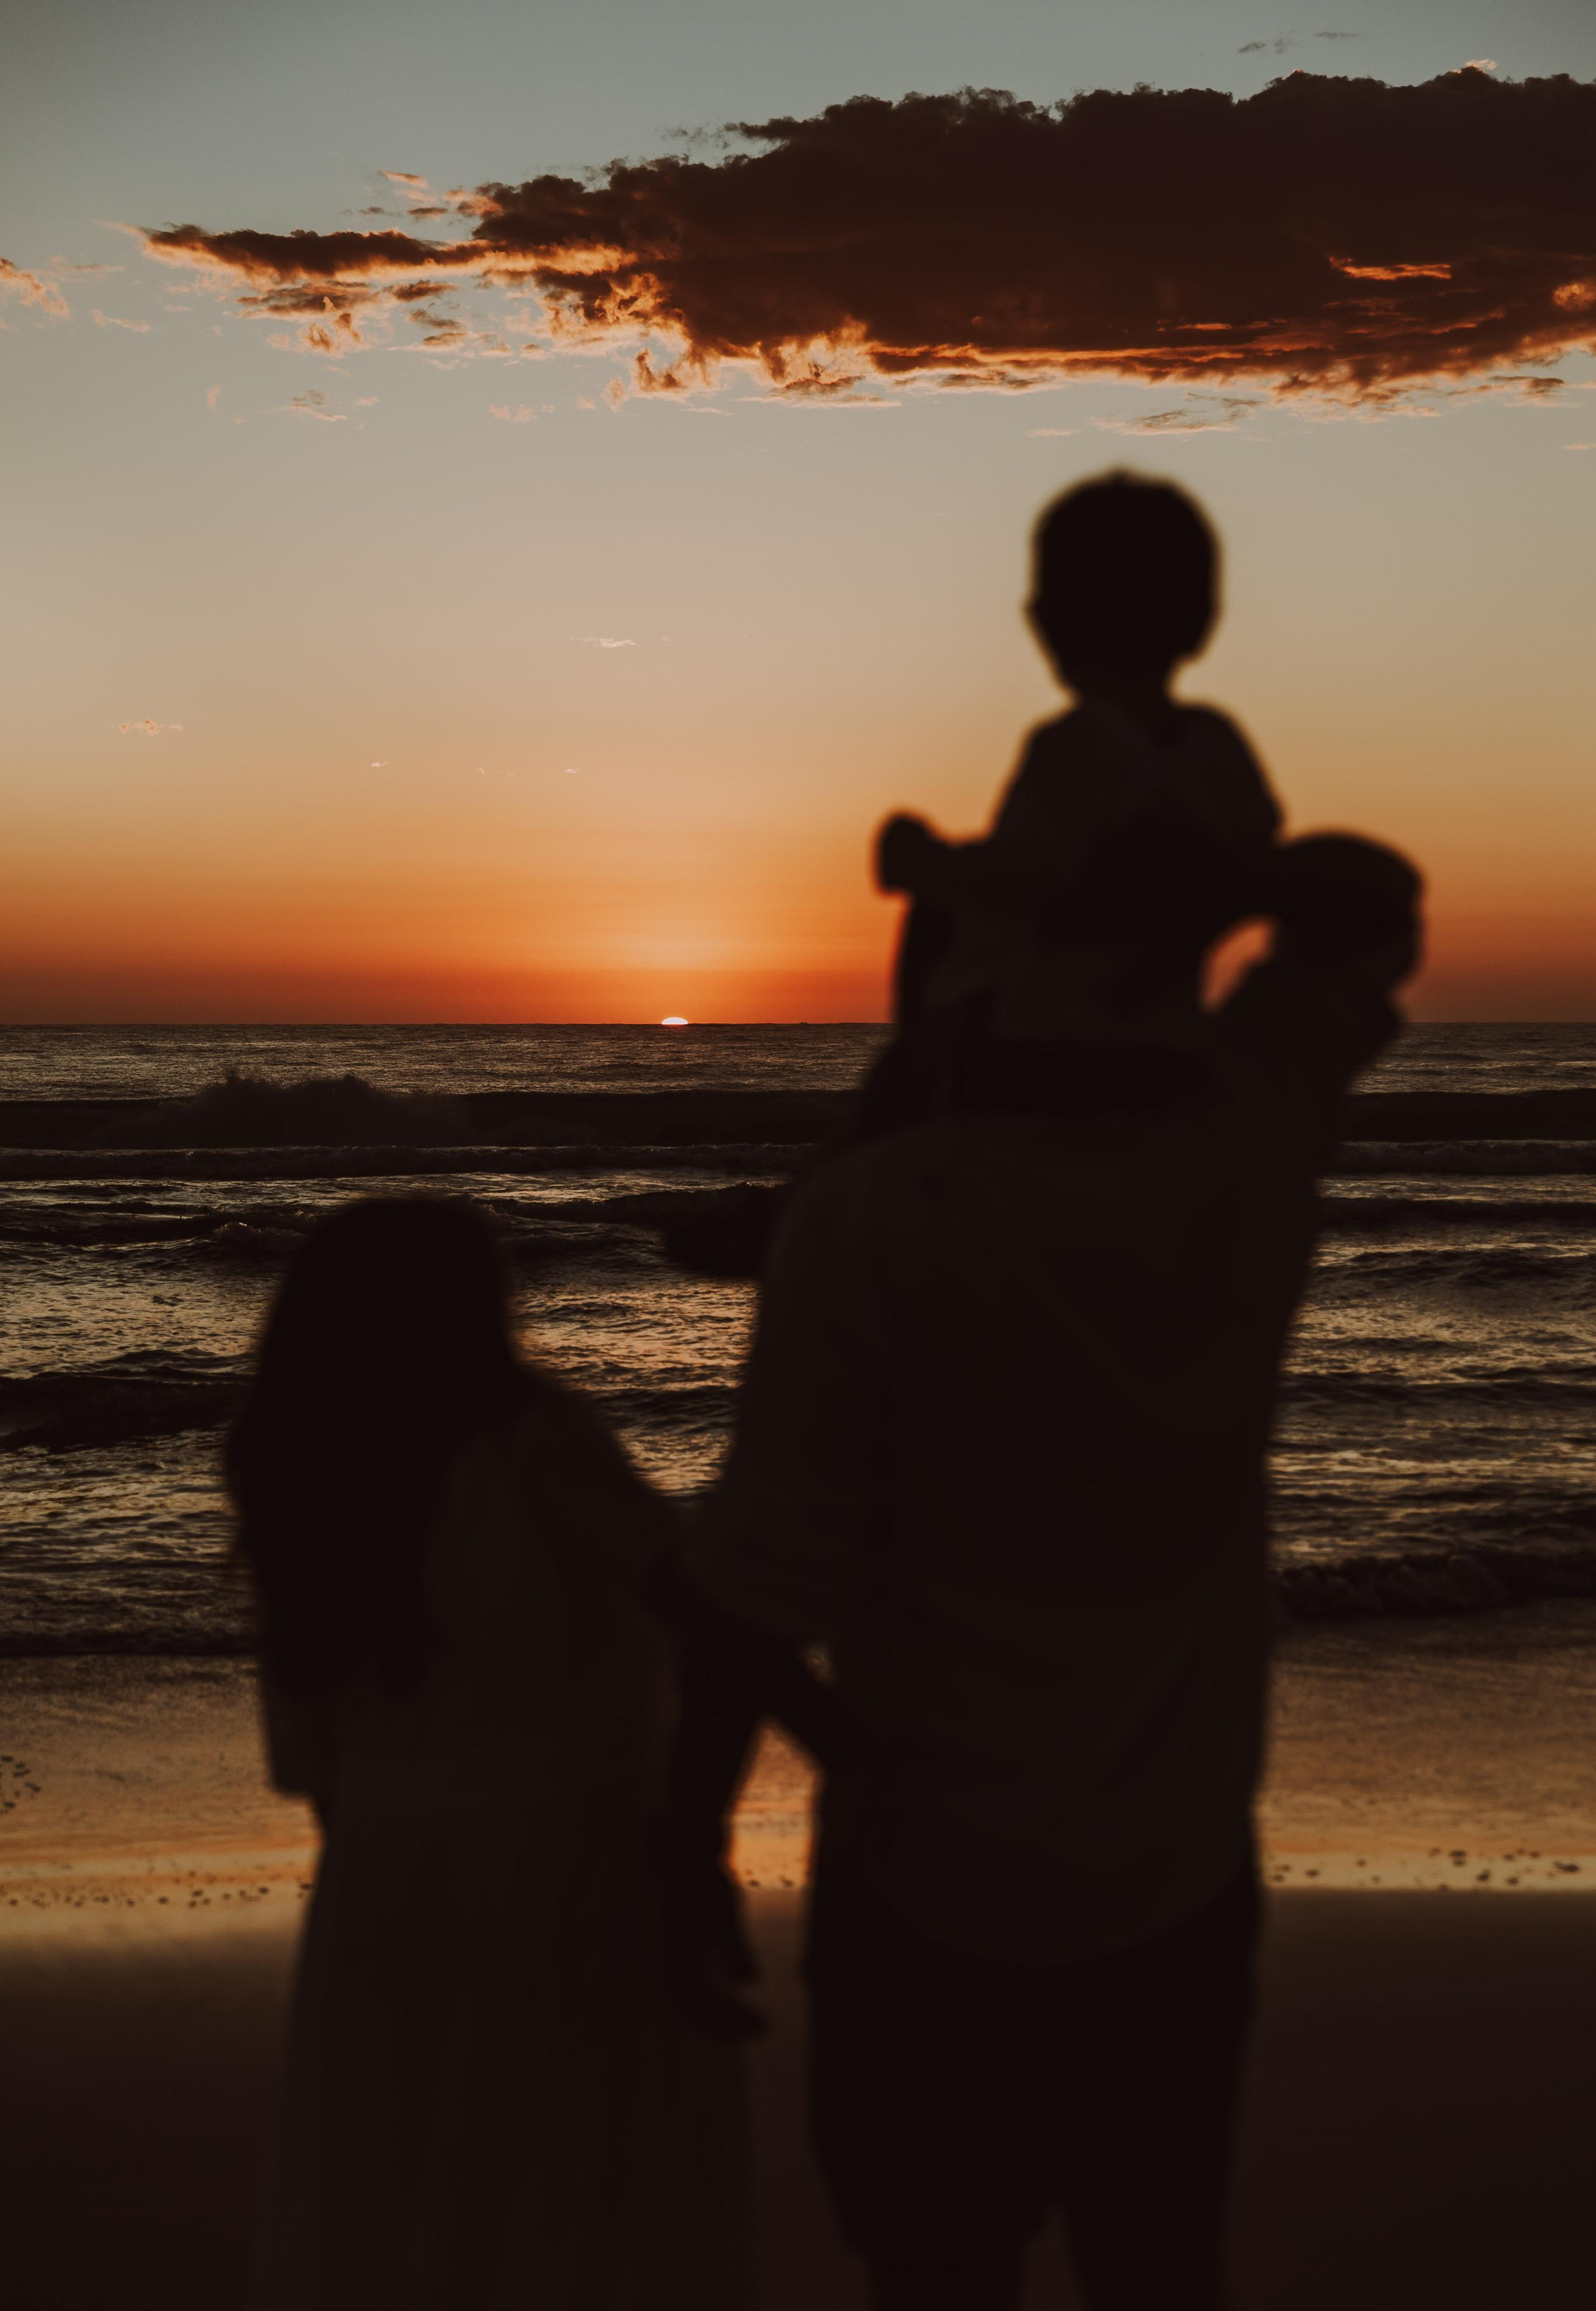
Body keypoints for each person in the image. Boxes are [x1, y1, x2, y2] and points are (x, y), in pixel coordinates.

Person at [663, 831, 1421, 2310]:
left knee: (934, 2268)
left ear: (935, 1001)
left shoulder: (862, 1223)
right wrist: (1163, 885)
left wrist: (682, 1839)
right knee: (1154, 2263)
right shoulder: (1241, 1158)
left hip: (920, 1880)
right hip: (1170, 1863)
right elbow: (1367, 903)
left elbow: (755, 1586)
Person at [228, 1195, 796, 2311]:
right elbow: (697, 1600)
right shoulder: (531, 1439)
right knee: (580, 2180)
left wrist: (380, 1866)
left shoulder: (291, 1465)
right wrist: (829, 1744)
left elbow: (315, 1749)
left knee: (413, 2185)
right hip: (568, 1854)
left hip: (386, 1870)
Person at [859, 472, 1281, 1138]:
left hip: (1040, 1046)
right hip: (1160, 1028)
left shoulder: (1079, 743)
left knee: (932, 921)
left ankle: (880, 1150)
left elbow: (1037, 873)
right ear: (1204, 620)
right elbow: (1255, 853)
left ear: (1046, 622)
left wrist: (923, 864)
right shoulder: (1214, 744)